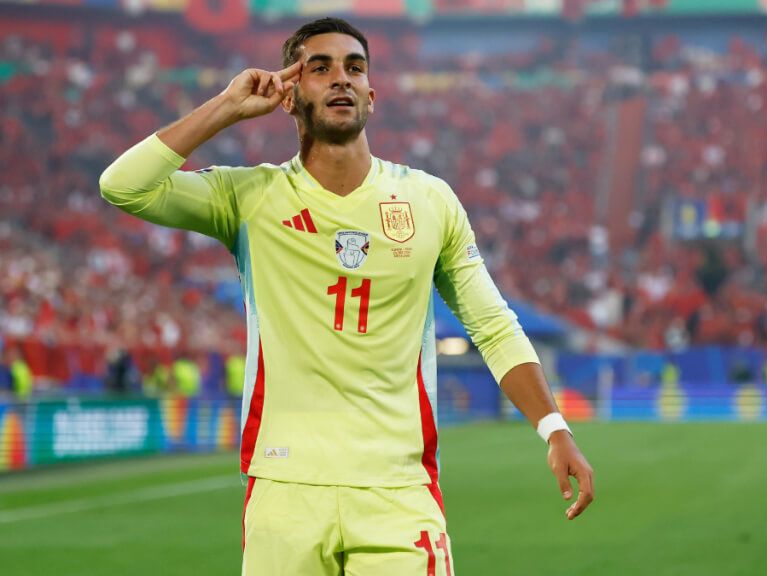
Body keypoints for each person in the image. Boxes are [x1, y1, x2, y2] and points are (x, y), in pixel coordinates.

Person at [100, 17, 594, 575]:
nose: (341, 79)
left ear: (371, 95)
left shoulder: (428, 200)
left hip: (398, 491)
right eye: (320, 68)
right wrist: (227, 106)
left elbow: (493, 325)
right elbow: (123, 185)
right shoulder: (249, 196)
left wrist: (554, 429)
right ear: (289, 95)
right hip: (284, 487)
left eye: (354, 68)